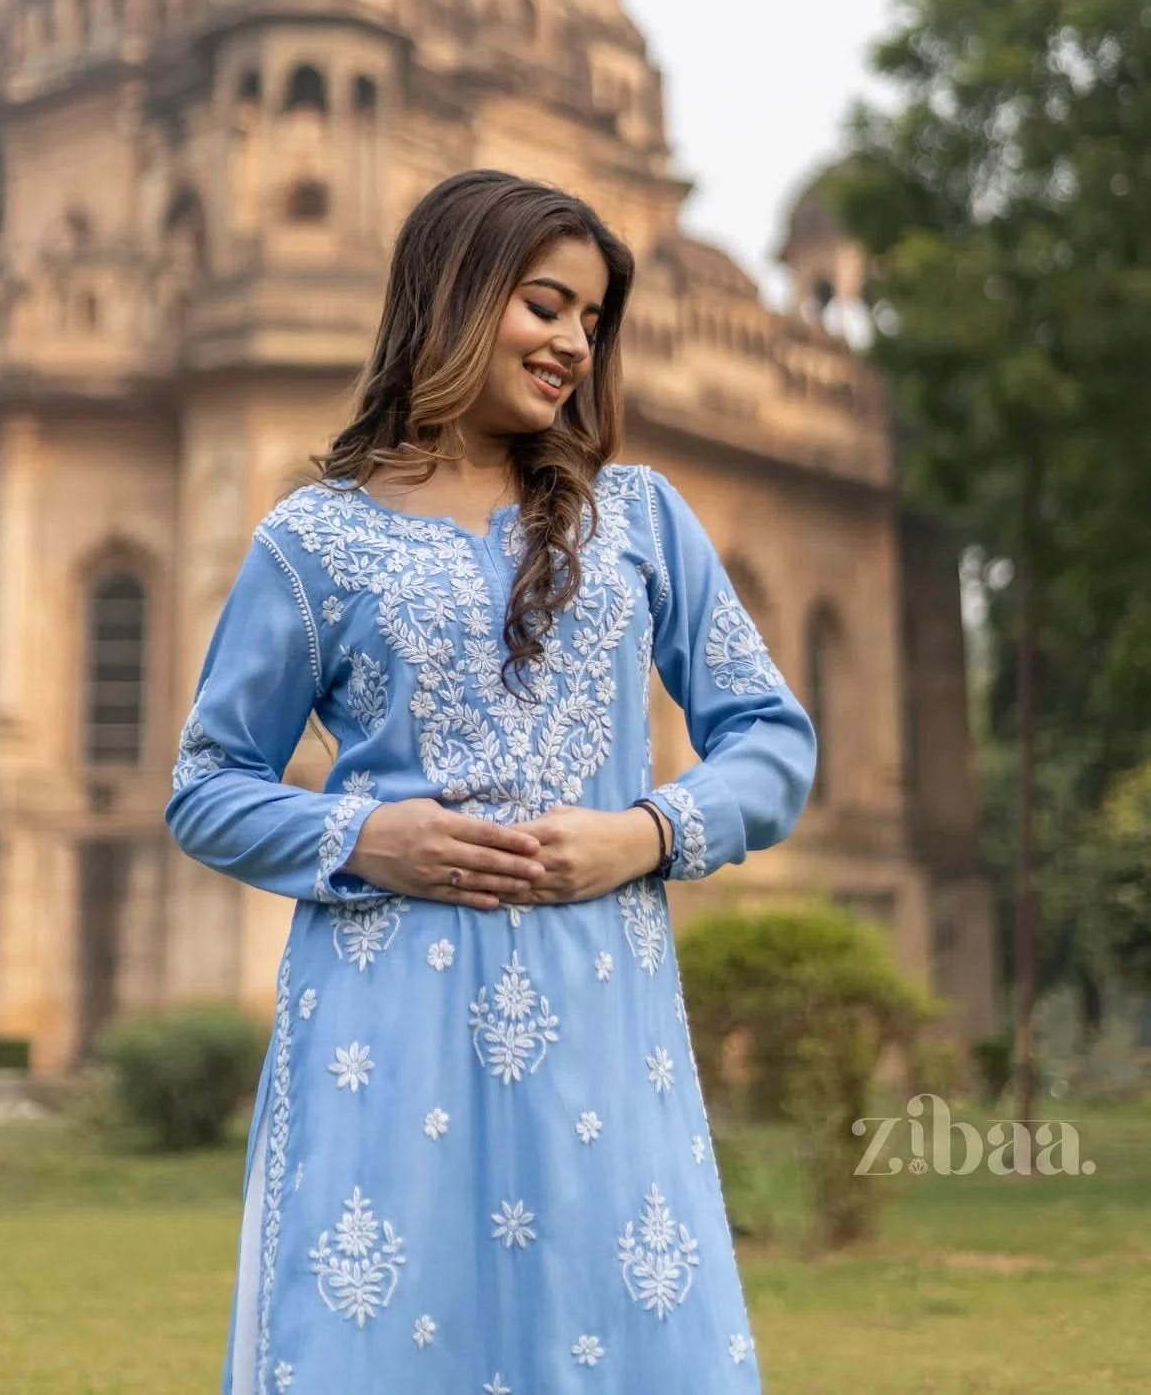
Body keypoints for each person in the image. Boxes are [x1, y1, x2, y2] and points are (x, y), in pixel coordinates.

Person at [165, 168, 817, 1394]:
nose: (574, 342)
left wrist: (647, 833)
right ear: (454, 296)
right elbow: (207, 784)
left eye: (590, 320)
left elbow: (774, 742)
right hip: (380, 1021)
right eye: (546, 304)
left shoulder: (637, 518)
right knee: (386, 1330)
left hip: (600, 1017)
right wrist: (365, 836)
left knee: (618, 1327)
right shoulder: (314, 541)